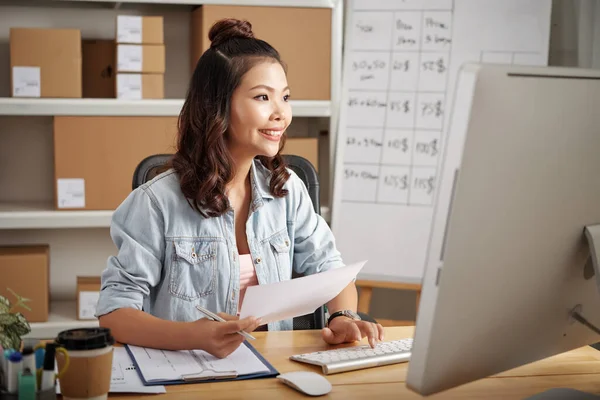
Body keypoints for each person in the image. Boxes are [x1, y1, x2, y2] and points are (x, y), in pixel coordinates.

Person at [96, 18, 384, 358]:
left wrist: (343, 316)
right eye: (263, 97)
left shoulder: (288, 191)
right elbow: (113, 316)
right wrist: (193, 336)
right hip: (188, 371)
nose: (281, 114)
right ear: (216, 107)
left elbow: (331, 269)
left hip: (273, 369)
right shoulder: (155, 203)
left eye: (285, 97)